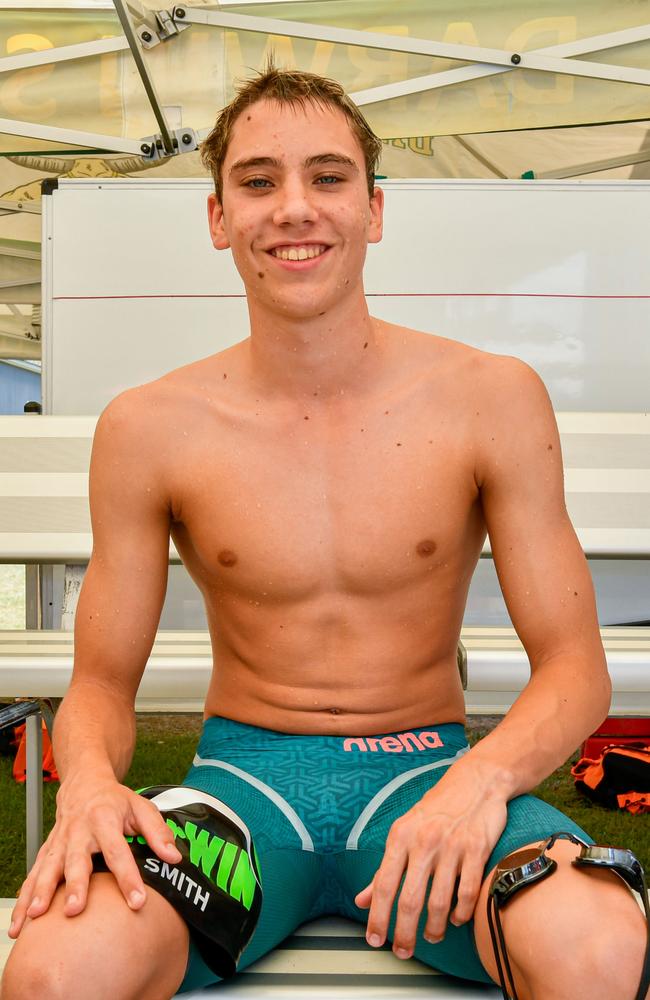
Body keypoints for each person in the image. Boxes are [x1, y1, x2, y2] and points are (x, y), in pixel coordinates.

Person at [2, 63, 647, 1000]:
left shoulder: (491, 399)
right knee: (56, 975)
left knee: (595, 950)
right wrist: (93, 783)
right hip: (243, 795)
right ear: (220, 219)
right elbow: (100, 682)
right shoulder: (149, 427)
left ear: (374, 210)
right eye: (258, 182)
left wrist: (479, 786)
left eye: (328, 177)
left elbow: (577, 669)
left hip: (428, 780)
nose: (293, 208)